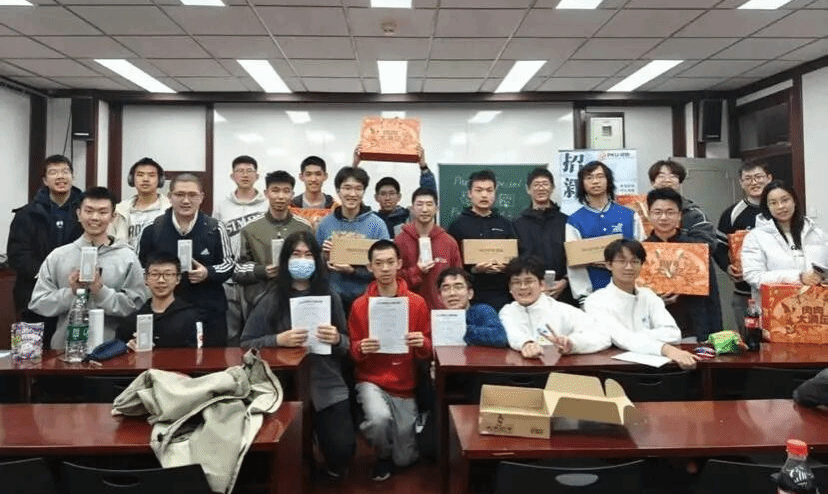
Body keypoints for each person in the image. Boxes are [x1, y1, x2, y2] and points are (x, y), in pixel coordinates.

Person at [241, 231, 354, 479]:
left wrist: (336, 339)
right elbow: (246, 343)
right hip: (284, 385)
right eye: (296, 254)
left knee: (342, 452)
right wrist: (277, 341)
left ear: (317, 260)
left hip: (326, 381)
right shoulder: (271, 298)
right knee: (285, 459)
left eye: (308, 255)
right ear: (286, 260)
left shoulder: (330, 295)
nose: (302, 260)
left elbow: (347, 344)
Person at [348, 240, 431, 481]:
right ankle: (381, 453)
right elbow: (352, 350)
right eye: (379, 263)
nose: (385, 268)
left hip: (404, 384)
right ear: (370, 267)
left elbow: (427, 347)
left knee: (404, 459)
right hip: (370, 380)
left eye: (390, 262)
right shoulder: (360, 305)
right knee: (379, 420)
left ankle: (396, 444)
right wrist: (361, 348)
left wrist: (421, 343)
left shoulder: (416, 303)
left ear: (399, 264)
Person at [28, 186, 147, 350]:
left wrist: (101, 292)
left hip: (112, 349)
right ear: (78, 214)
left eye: (103, 212)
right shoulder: (58, 256)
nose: (95, 217)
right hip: (65, 348)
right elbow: (38, 303)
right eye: (89, 211)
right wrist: (71, 293)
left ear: (113, 217)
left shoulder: (127, 257)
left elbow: (137, 305)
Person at [138, 173, 234, 347]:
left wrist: (208, 272)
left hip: (210, 312)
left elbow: (229, 265)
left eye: (192, 195)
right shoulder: (152, 229)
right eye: (180, 194)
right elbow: (141, 268)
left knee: (213, 361)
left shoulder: (215, 228)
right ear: (170, 196)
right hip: (166, 314)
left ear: (201, 197)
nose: (186, 201)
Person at [584, 239, 699, 370]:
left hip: (656, 368)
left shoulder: (648, 295)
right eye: (622, 261)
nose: (629, 267)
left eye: (635, 261)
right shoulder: (595, 301)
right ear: (609, 265)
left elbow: (673, 334)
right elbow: (621, 338)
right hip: (615, 369)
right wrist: (665, 348)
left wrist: (634, 337)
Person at [7, 154, 83, 346]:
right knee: (27, 353)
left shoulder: (86, 212)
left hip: (75, 294)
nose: (60, 176)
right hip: (32, 294)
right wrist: (47, 276)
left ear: (73, 177)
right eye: (53, 172)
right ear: (45, 180)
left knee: (71, 353)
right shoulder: (26, 214)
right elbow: (17, 255)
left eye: (65, 171)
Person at [644, 187, 722, 342]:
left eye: (670, 212)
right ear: (649, 215)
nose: (664, 217)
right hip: (653, 329)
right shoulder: (641, 251)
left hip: (692, 327)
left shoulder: (696, 250)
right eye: (658, 212)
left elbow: (711, 297)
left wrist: (714, 334)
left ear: (679, 215)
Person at [499, 255, 611, 359]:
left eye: (529, 281)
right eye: (516, 282)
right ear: (510, 288)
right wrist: (526, 344)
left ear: (542, 285)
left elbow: (602, 336)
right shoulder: (507, 311)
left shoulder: (562, 310)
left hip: (560, 369)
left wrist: (572, 343)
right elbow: (513, 333)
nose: (523, 287)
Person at [566, 161, 644, 305]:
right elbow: (574, 264)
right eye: (589, 178)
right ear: (582, 184)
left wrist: (640, 288)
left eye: (600, 176)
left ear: (608, 181)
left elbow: (643, 253)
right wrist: (584, 297)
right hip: (594, 297)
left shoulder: (629, 216)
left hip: (631, 293)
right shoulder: (575, 221)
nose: (595, 181)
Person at [234, 170, 311, 316]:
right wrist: (262, 271)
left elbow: (314, 263)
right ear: (266, 193)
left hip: (296, 299)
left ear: (292, 194)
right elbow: (237, 269)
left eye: (286, 191)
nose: (280, 196)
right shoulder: (250, 228)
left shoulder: (304, 227)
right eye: (275, 191)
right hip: (260, 300)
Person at [316, 166, 390, 312]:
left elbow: (385, 267)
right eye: (347, 188)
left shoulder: (377, 225)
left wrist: (352, 271)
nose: (352, 194)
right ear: (338, 191)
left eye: (358, 189)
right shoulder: (325, 224)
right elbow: (315, 264)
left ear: (364, 191)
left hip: (368, 299)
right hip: (333, 299)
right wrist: (324, 256)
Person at [741, 180, 828, 303]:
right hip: (777, 308)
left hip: (814, 306)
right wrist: (799, 277)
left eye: (785, 200)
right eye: (773, 203)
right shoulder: (755, 237)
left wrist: (822, 278)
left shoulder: (817, 233)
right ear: (767, 207)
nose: (780, 206)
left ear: (794, 201)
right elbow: (753, 276)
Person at [213, 155, 268, 346]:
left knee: (257, 330)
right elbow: (216, 237)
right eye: (240, 171)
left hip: (257, 276)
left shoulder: (266, 204)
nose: (245, 175)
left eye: (249, 171)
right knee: (230, 332)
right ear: (232, 176)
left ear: (257, 176)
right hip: (229, 277)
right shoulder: (222, 205)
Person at [713, 163, 773, 335]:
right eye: (748, 178)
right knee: (749, 342)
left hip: (778, 290)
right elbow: (719, 248)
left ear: (769, 178)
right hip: (744, 293)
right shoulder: (732, 214)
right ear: (741, 182)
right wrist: (727, 267)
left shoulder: (780, 210)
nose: (754, 182)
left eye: (758, 177)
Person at [447, 169, 516, 311]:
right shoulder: (457, 225)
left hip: (502, 295)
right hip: (470, 297)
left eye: (489, 190)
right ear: (469, 193)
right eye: (478, 190)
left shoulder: (506, 224)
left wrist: (507, 267)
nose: (484, 195)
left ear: (495, 193)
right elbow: (452, 264)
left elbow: (517, 258)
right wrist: (473, 269)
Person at [513, 167, 575, 306]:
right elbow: (515, 259)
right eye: (536, 184)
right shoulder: (517, 224)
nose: (541, 188)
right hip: (529, 291)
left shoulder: (566, 221)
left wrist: (565, 281)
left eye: (545, 184)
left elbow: (574, 256)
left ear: (552, 188)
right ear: (528, 189)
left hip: (563, 291)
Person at [395, 187, 462, 309]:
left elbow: (458, 279)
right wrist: (417, 270)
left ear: (436, 209)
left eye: (429, 204)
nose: (424, 209)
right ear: (412, 208)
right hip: (408, 309)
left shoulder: (449, 242)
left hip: (440, 311)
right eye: (419, 204)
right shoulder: (400, 241)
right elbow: (394, 278)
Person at [117, 252, 201, 349]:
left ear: (178, 279)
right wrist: (128, 348)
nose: (161, 280)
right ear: (146, 278)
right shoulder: (132, 320)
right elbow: (118, 350)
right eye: (155, 274)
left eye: (168, 274)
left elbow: (198, 354)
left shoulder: (191, 317)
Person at [359, 146, 437, 237]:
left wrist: (423, 167)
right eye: (383, 194)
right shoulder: (372, 219)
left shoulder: (409, 216)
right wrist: (355, 165)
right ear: (376, 197)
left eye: (391, 193)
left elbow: (429, 194)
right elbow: (354, 198)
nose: (387, 198)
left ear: (399, 197)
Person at [648, 159, 718, 250]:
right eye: (661, 176)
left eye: (673, 176)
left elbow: (708, 246)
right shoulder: (639, 211)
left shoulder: (694, 213)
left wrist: (674, 238)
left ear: (679, 183)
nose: (667, 180)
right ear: (652, 182)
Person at [436, 267, 507, 347]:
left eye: (458, 287)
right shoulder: (436, 319)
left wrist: (460, 327)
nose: (452, 293)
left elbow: (500, 337)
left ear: (470, 293)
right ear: (439, 297)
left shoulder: (482, 310)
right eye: (446, 288)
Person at [109, 157, 171, 249]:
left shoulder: (170, 209)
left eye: (151, 175)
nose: (145, 179)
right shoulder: (120, 210)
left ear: (160, 180)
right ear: (131, 179)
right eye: (140, 175)